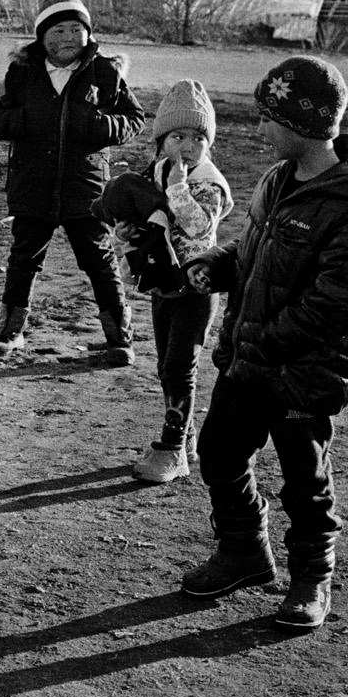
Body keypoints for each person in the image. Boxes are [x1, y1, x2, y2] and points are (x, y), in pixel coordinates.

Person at [178, 56, 348, 632]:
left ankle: (312, 578)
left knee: (304, 479)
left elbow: (343, 300)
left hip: (303, 371)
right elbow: (256, 252)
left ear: (302, 124)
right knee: (220, 451)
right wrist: (221, 262)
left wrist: (268, 338)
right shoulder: (277, 180)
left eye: (268, 119)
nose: (260, 131)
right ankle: (243, 552)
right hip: (251, 358)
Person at [0, 0, 147, 361]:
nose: (67, 38)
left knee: (98, 260)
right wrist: (19, 123)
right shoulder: (21, 72)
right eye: (57, 30)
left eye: (75, 29)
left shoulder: (105, 72)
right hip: (31, 185)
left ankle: (120, 338)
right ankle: (9, 332)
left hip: (86, 190)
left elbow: (134, 118)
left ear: (88, 33)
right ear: (41, 36)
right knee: (24, 258)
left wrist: (100, 126)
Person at [92, 80, 233, 484]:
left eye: (198, 138)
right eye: (177, 136)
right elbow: (143, 224)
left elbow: (196, 224)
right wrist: (125, 233)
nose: (187, 146)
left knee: (180, 367)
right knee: (166, 367)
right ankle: (184, 436)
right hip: (162, 285)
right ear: (161, 141)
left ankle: (173, 449)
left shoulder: (207, 184)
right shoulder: (155, 174)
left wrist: (176, 187)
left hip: (196, 287)